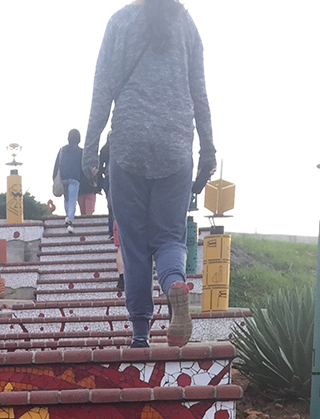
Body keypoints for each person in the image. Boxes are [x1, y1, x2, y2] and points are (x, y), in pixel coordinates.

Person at [82, 0, 217, 347]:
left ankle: (140, 333)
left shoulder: (120, 22)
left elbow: (102, 91)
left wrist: (90, 150)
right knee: (170, 237)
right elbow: (199, 92)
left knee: (135, 246)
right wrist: (208, 149)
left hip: (128, 145)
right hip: (176, 145)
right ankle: (174, 284)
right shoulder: (186, 24)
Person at [52, 129, 86, 230]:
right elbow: (83, 167)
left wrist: (54, 178)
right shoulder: (81, 152)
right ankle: (70, 220)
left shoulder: (62, 150)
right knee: (72, 200)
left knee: (66, 199)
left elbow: (56, 165)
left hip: (63, 177)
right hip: (75, 178)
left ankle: (67, 215)